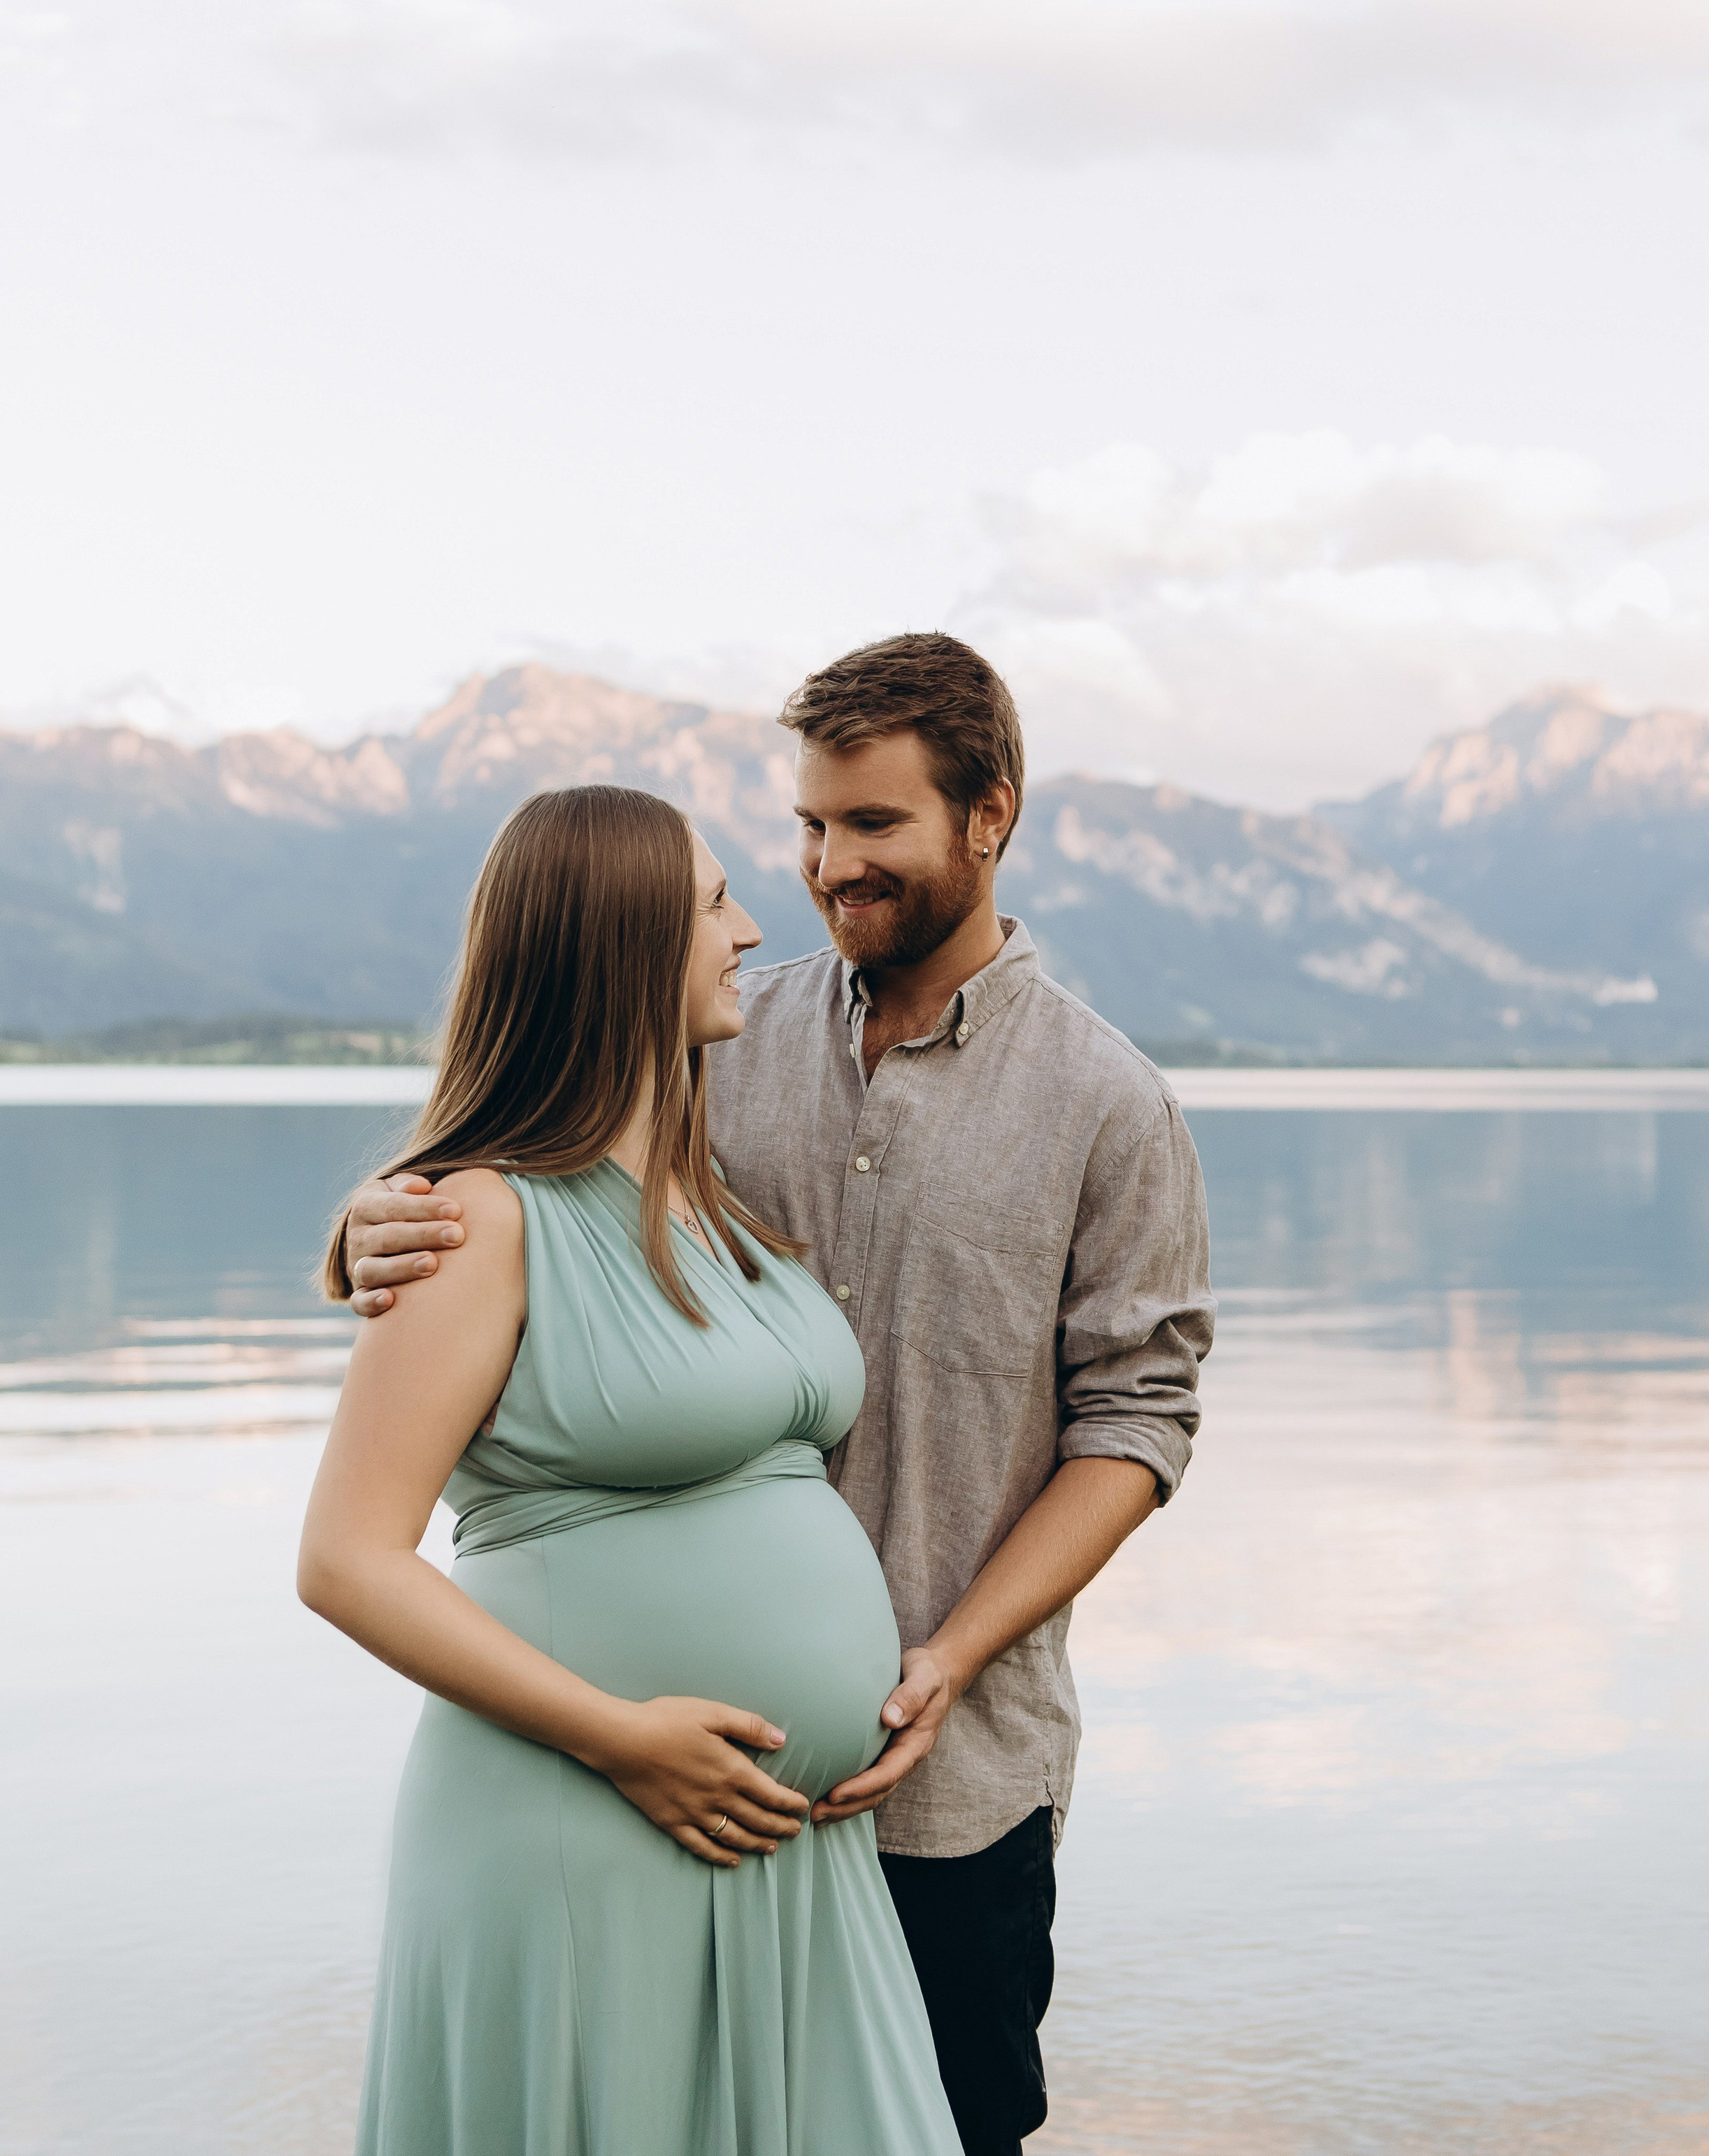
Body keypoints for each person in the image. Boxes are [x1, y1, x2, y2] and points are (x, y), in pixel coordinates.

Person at [347, 633, 1214, 2156]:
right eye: (808, 827)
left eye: (871, 826)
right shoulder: (714, 1056)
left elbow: (1136, 1425)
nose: (823, 868)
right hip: (654, 1788)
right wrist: (370, 1228)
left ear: (986, 817)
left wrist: (947, 1652)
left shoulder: (1108, 1104)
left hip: (950, 1786)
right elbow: (527, 1163)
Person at [301, 782, 962, 2156]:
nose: (751, 928)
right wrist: (620, 1739)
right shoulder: (478, 1219)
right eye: (715, 903)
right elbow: (347, 1562)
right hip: (586, 1819)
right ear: (618, 944)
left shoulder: (712, 1199)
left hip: (789, 1855)